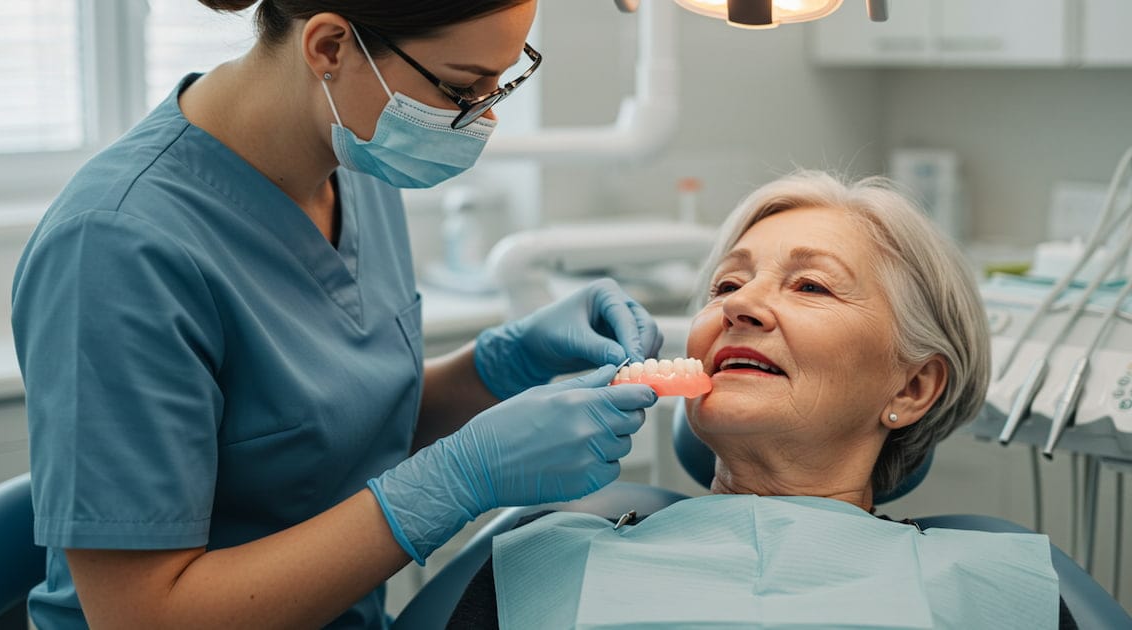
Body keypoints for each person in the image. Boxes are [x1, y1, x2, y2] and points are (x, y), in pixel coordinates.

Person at [10, 1, 663, 628]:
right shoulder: (118, 247)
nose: (483, 120)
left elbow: (329, 430)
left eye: (505, 79)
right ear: (329, 46)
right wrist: (459, 479)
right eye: (463, 88)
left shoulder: (355, 161)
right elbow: (143, 619)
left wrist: (503, 364)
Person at [447, 170, 1072, 629]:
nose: (739, 305)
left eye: (811, 285)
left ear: (911, 388)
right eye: (726, 283)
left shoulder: (999, 594)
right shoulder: (546, 560)